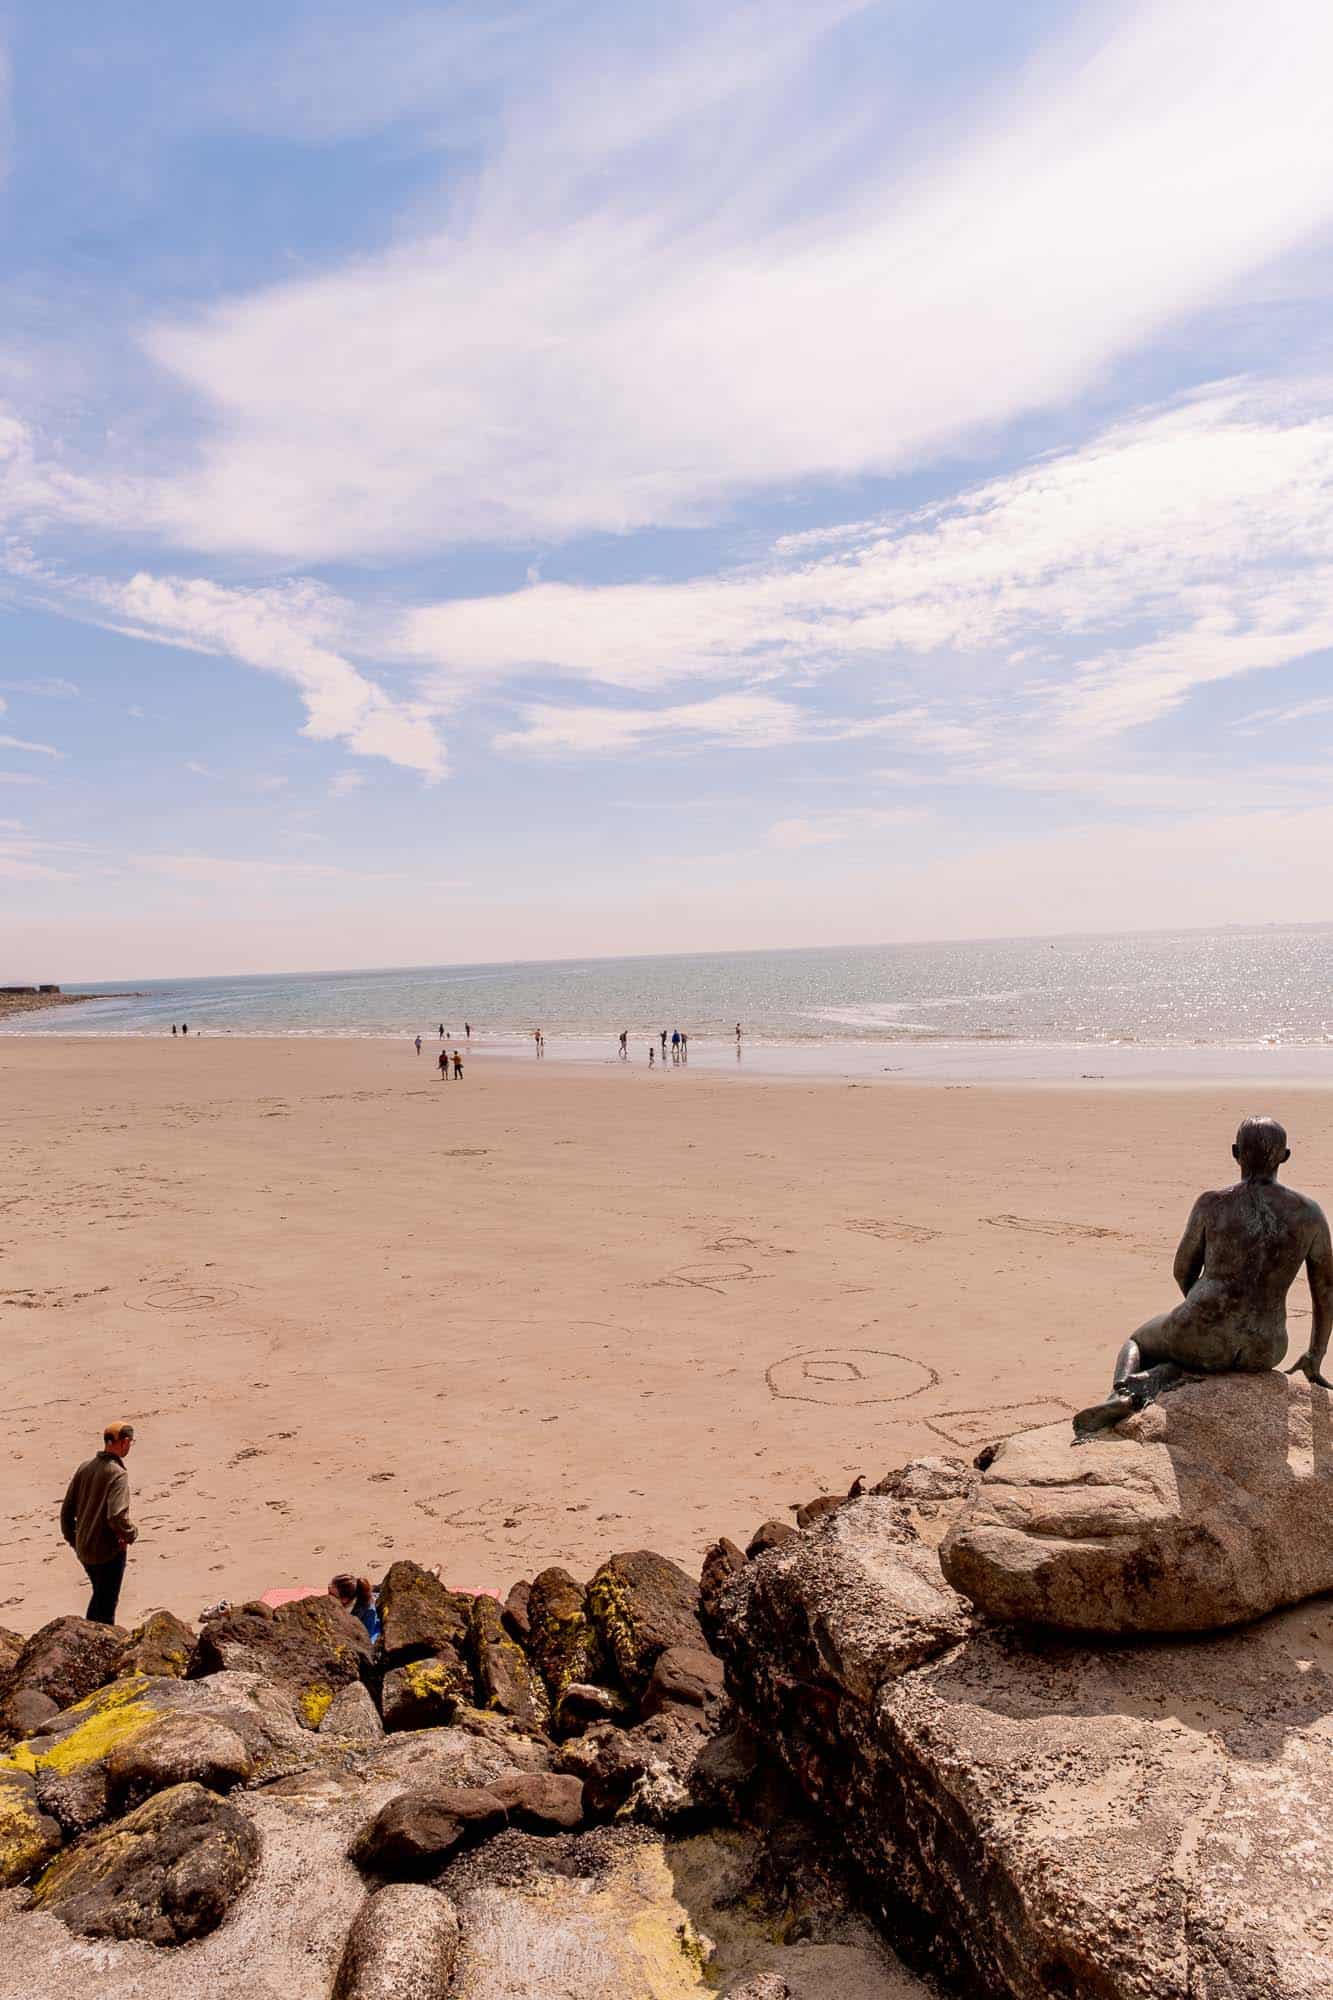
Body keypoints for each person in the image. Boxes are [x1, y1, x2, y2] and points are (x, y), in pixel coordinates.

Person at [1073, 1116, 1333, 1436]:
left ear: (1236, 1152)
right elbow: (1326, 1291)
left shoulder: (1213, 1203)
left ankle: (1122, 1395)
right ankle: (1170, 1372)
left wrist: (1204, 1311)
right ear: (1285, 1156)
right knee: (1198, 1353)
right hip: (1265, 1347)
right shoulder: (1310, 1214)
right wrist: (1314, 1355)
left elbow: (1183, 1269)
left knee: (1138, 1341)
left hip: (1202, 1329)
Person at [61, 1423, 138, 1624]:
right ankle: (98, 1642)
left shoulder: (85, 1468)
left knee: (99, 1595)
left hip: (85, 1549)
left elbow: (66, 1514)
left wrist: (76, 1541)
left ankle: (89, 1636)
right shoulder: (117, 1474)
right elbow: (116, 1516)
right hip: (107, 1552)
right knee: (106, 1604)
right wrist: (131, 1534)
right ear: (125, 1442)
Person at [329, 1573, 381, 1647]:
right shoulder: (339, 1602)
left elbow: (366, 1640)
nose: (328, 1597)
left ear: (345, 1599)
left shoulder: (368, 1612)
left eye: (332, 1594)